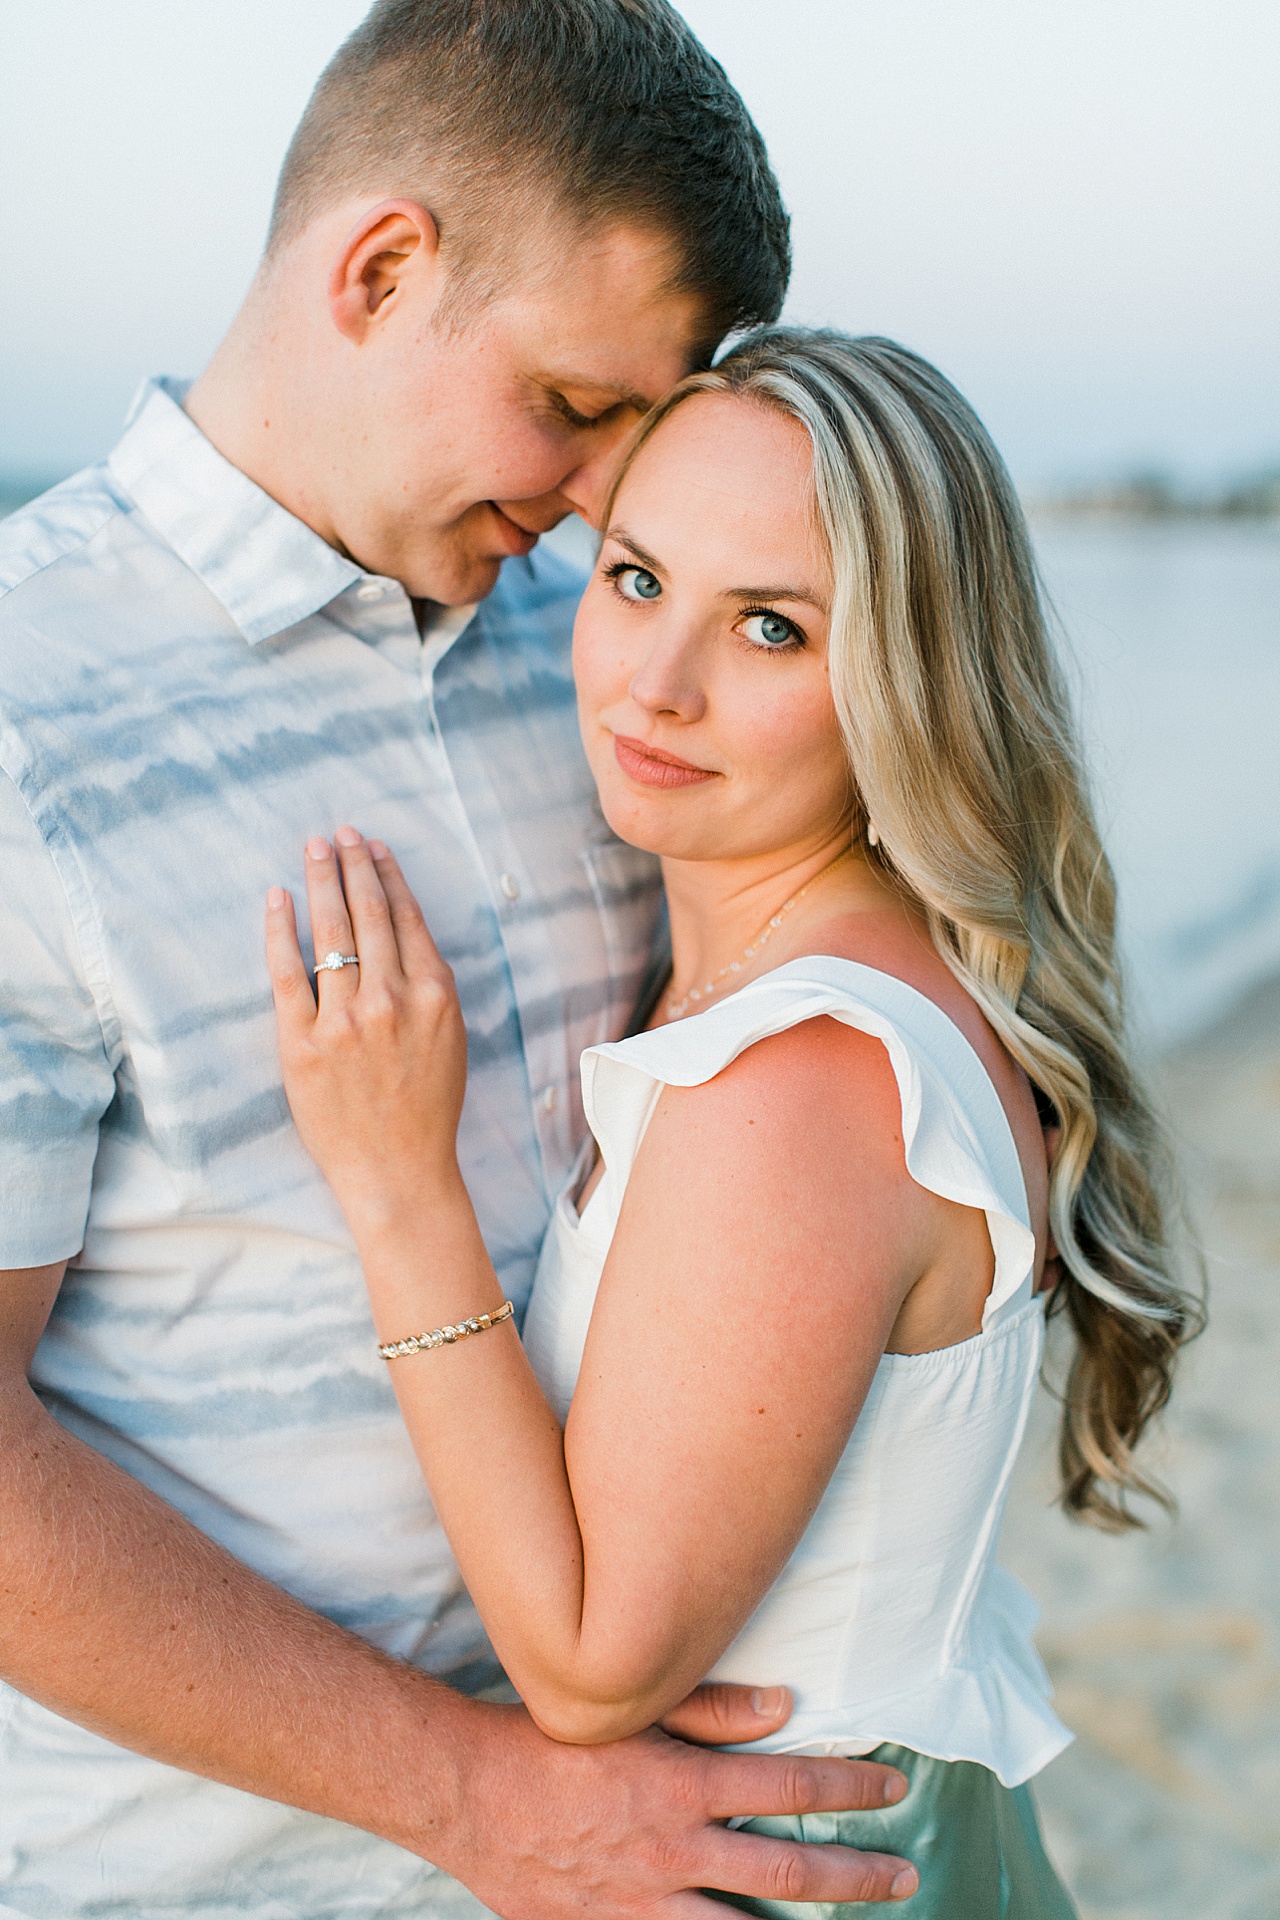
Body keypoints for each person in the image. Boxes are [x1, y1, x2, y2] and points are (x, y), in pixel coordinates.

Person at [0, 7, 919, 1916]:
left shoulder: (610, 662)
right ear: (380, 270)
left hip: (651, 1832)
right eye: (575, 403)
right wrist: (474, 1799)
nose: (597, 499)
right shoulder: (23, 718)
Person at [266, 330, 1202, 1916]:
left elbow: (590, 1665)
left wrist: (397, 1186)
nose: (657, 682)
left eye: (772, 626)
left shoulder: (798, 1074)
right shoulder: (853, 959)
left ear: (904, 683)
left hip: (789, 1874)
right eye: (635, 579)